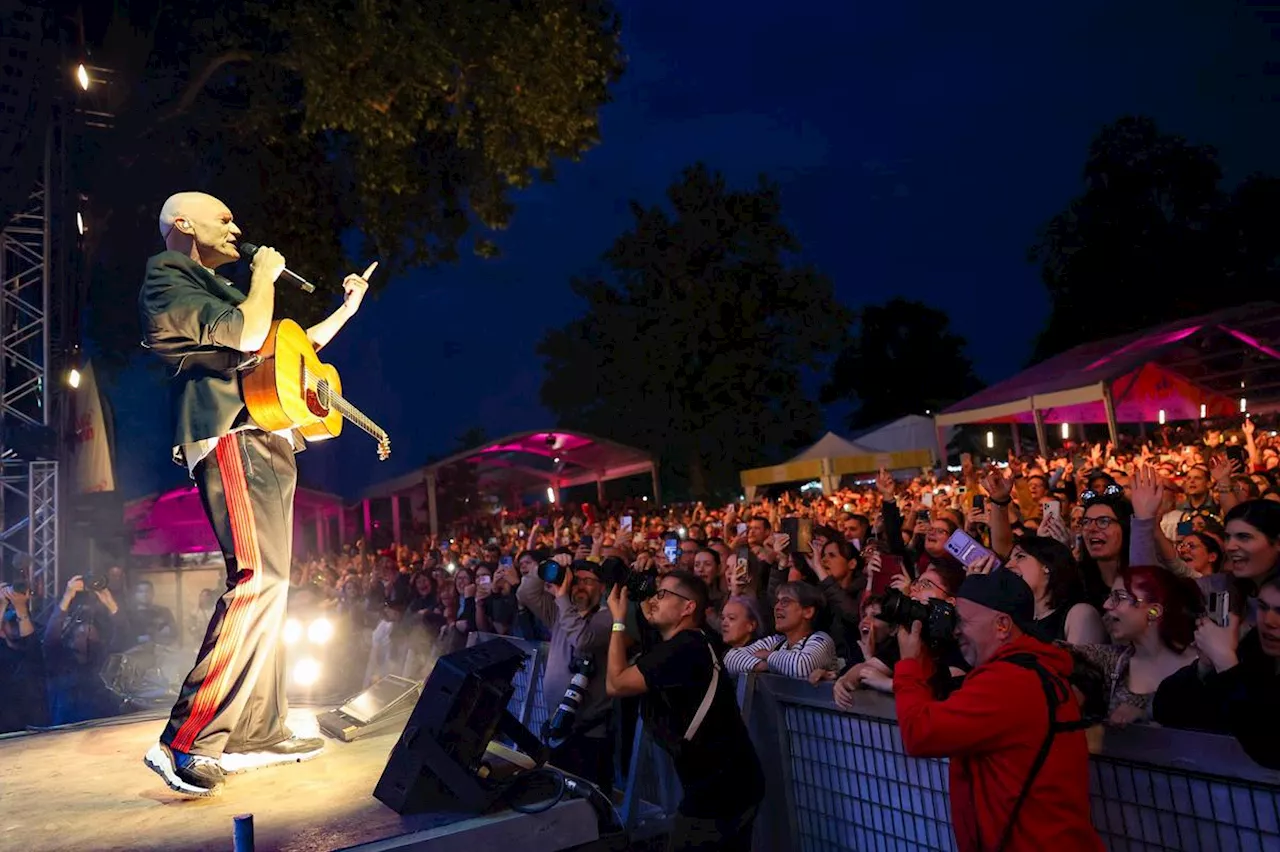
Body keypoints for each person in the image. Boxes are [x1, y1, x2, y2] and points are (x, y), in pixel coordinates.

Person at [138, 191, 372, 797]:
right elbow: (247, 336)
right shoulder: (168, 277)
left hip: (266, 437)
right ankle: (184, 740)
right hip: (232, 436)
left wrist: (345, 311)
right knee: (257, 581)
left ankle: (257, 728)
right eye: (224, 217)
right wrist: (264, 276)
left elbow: (284, 351)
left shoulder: (218, 290)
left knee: (274, 587)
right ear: (183, 224)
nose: (236, 225)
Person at [895, 570, 1103, 852]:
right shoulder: (1030, 670)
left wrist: (909, 665)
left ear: (1002, 625)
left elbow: (919, 733)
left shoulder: (1009, 681)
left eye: (963, 621)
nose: (955, 630)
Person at [605, 571, 765, 851]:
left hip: (719, 789)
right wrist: (645, 609)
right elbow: (649, 651)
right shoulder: (690, 643)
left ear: (688, 607)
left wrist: (618, 621)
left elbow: (616, 683)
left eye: (663, 594)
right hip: (729, 782)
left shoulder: (686, 648)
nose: (655, 600)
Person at [516, 555, 615, 793]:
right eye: (576, 580)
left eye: (588, 581)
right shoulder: (560, 612)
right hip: (557, 725)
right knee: (560, 795)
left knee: (590, 800)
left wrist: (561, 597)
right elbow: (525, 593)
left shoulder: (608, 617)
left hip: (591, 732)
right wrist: (549, 564)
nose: (580, 586)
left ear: (602, 587)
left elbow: (583, 640)